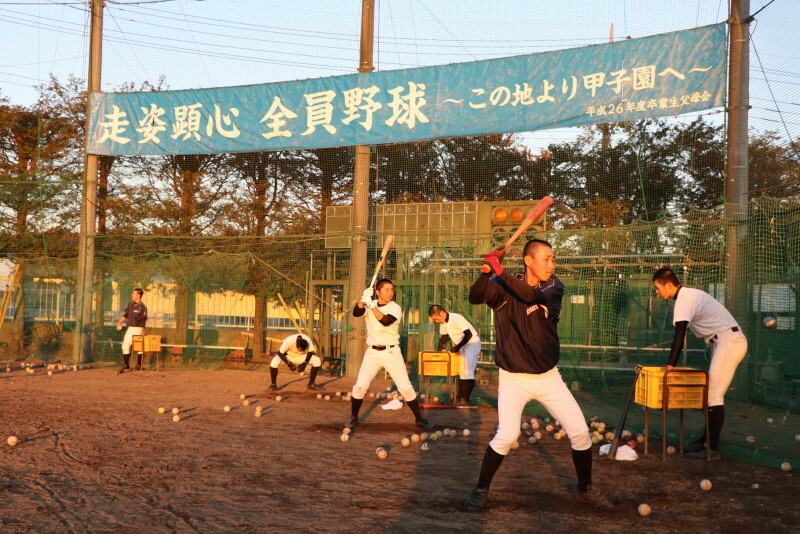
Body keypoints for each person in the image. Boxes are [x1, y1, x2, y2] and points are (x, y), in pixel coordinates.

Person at [463, 239, 612, 511]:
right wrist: (486, 272)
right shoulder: (502, 285)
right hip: (513, 379)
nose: (551, 265)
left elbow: (530, 296)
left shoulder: (553, 286)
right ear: (528, 260)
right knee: (507, 437)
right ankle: (481, 489)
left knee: (580, 433)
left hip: (548, 378)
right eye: (546, 259)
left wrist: (500, 270)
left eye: (552, 259)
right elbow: (474, 297)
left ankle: (585, 488)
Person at [652, 267, 748, 460]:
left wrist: (670, 366)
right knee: (710, 395)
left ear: (669, 285)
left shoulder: (684, 298)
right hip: (726, 341)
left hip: (729, 342)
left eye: (657, 287)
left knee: (713, 396)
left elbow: (679, 335)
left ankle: (712, 451)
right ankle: (705, 441)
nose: (657, 291)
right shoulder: (687, 296)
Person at [345, 279, 435, 431]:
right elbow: (356, 313)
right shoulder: (370, 303)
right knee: (360, 386)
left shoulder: (395, 307)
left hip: (391, 352)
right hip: (372, 352)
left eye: (391, 290)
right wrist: (362, 302)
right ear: (378, 292)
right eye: (386, 290)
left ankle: (419, 419)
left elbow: (385, 321)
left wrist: (372, 306)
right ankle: (354, 418)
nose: (390, 292)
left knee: (405, 388)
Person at [428, 304, 481, 405]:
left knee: (468, 371)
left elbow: (468, 334)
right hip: (461, 346)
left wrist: (457, 347)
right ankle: (460, 397)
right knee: (461, 371)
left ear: (442, 313)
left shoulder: (457, 318)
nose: (437, 321)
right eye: (434, 320)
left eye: (437, 318)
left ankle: (466, 399)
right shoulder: (443, 323)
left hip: (472, 343)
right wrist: (440, 347)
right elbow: (444, 337)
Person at [116, 288, 147, 374]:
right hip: (130, 329)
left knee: (139, 348)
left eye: (134, 294)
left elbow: (143, 320)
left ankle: (139, 365)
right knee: (125, 346)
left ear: (138, 295)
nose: (132, 295)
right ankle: (126, 365)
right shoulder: (130, 304)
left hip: (138, 329)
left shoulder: (142, 307)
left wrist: (143, 331)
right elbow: (125, 315)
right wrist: (119, 323)